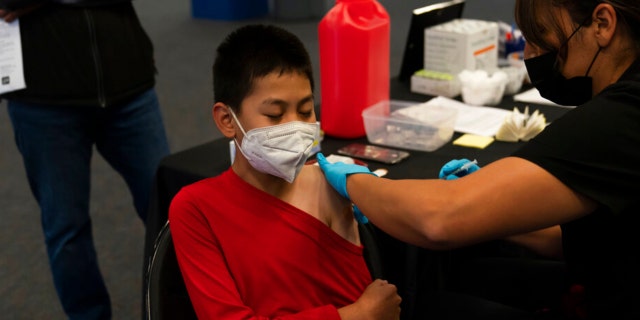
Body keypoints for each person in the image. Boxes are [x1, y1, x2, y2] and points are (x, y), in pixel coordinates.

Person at [317, 0, 640, 319]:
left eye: (541, 34)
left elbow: (438, 220)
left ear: (602, 24)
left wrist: (355, 181)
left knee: (434, 307)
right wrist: (500, 209)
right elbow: (587, 235)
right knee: (473, 275)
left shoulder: (619, 119)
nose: (531, 54)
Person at [168, 24, 401, 320]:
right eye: (275, 115)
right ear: (227, 119)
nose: (295, 126)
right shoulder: (196, 209)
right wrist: (356, 315)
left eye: (305, 111)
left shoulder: (333, 183)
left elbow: (422, 224)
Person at [0, 1, 170, 319]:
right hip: (44, 102)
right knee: (66, 229)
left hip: (128, 85)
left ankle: (184, 306)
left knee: (170, 211)